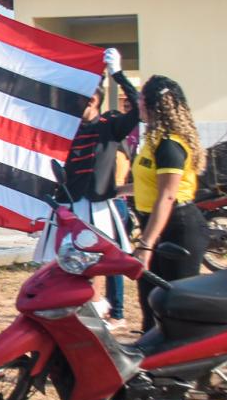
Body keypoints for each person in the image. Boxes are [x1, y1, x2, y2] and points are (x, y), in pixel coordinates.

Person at [34, 48, 142, 325]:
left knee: (107, 260)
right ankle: (81, 308)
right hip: (70, 205)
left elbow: (139, 107)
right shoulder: (64, 128)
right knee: (68, 264)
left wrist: (117, 74)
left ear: (95, 98)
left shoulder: (110, 125)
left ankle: (115, 312)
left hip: (98, 205)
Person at [132, 75, 209, 331]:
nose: (137, 103)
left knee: (175, 304)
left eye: (141, 98)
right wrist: (111, 190)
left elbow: (167, 195)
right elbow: (150, 184)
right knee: (149, 301)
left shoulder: (169, 145)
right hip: (155, 225)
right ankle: (152, 364)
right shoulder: (153, 140)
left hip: (178, 228)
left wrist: (145, 245)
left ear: (153, 105)